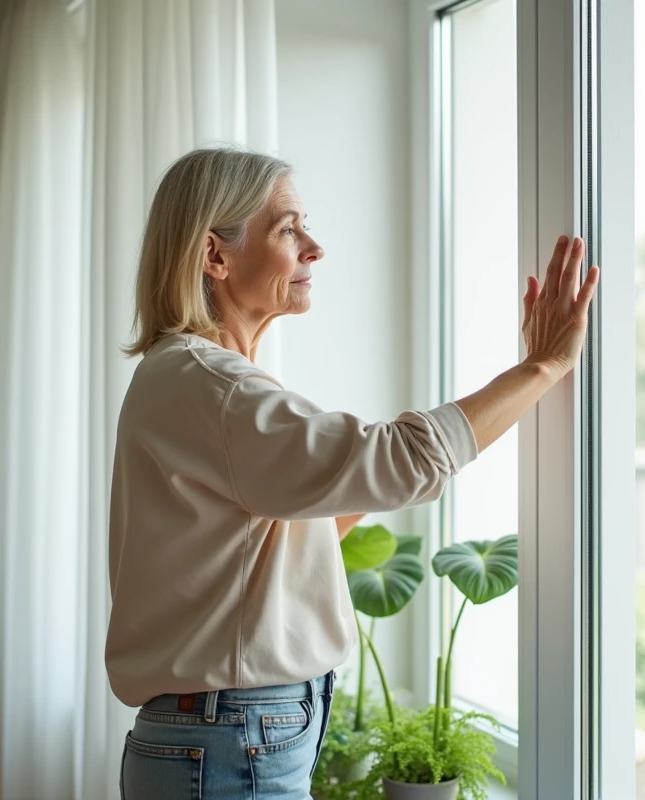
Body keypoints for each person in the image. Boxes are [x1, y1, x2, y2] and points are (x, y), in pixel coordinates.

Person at [106, 147, 599, 799]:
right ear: (215, 256)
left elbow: (256, 551)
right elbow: (404, 459)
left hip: (224, 735)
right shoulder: (211, 384)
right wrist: (543, 368)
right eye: (288, 228)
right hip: (231, 736)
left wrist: (344, 478)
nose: (314, 247)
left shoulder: (193, 378)